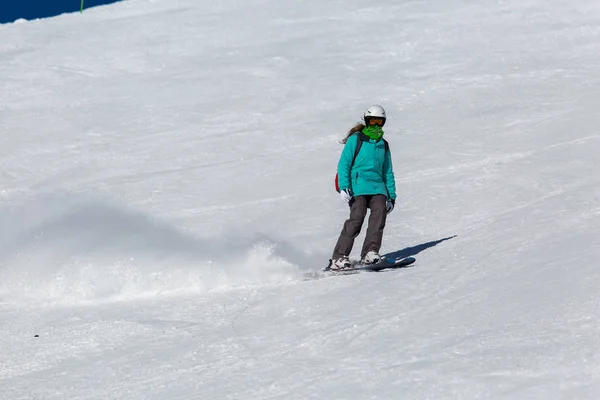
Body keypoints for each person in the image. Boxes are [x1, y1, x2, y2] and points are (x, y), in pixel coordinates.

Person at [329, 105, 397, 270]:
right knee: (356, 218)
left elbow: (388, 171)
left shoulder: (383, 145)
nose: (375, 124)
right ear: (367, 121)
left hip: (378, 188)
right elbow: (344, 163)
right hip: (357, 186)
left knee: (378, 217)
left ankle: (370, 253)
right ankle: (339, 257)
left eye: (379, 122)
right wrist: (344, 186)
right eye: (372, 121)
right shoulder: (357, 139)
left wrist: (391, 197)